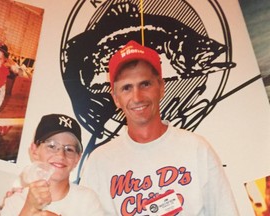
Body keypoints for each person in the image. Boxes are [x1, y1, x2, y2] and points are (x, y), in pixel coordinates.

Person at [80, 40, 239, 215]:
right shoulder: (98, 162)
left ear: (161, 87)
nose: (137, 97)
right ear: (116, 98)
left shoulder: (196, 148)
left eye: (145, 84)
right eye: (126, 88)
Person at [1, 113, 103, 216]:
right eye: (52, 146)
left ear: (77, 158)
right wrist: (29, 208)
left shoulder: (87, 201)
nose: (61, 155)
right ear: (34, 150)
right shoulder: (15, 203)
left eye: (69, 149)